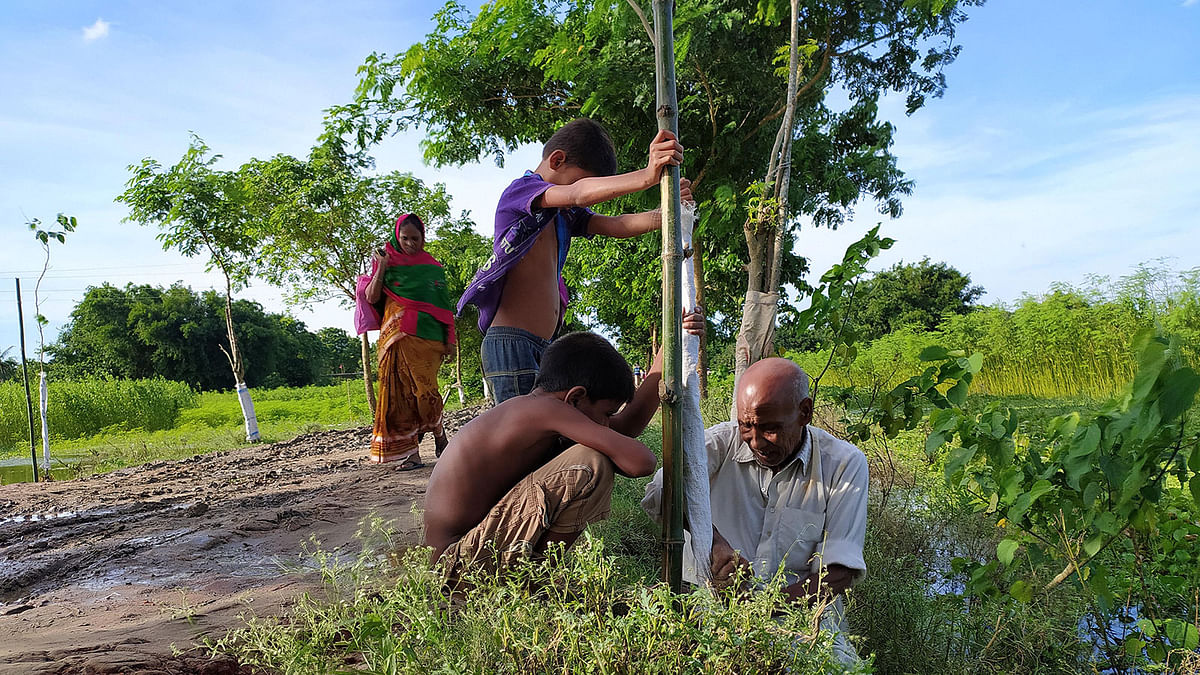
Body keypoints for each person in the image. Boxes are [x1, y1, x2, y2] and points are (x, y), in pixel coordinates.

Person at [425, 315, 703, 580]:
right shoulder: (545, 410)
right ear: (575, 397)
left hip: (461, 556)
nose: (607, 424)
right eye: (606, 413)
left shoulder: (538, 409)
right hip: (457, 563)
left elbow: (623, 430)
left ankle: (529, 578)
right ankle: (533, 582)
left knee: (597, 448)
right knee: (592, 462)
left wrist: (668, 349)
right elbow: (640, 461)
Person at [641, 358, 869, 666]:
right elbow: (660, 493)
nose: (756, 441)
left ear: (805, 412)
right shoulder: (719, 443)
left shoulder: (843, 464)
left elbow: (840, 573)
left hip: (798, 614)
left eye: (771, 428)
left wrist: (761, 609)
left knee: (839, 667)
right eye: (747, 426)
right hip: (708, 603)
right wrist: (712, 541)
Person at [457, 118, 693, 404]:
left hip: (544, 346)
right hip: (511, 342)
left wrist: (668, 211)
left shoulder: (565, 215)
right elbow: (576, 193)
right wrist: (646, 175)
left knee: (544, 438)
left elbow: (617, 225)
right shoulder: (521, 192)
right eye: (584, 180)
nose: (584, 197)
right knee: (525, 437)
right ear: (557, 160)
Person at [364, 214, 456, 470]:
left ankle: (440, 435)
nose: (411, 243)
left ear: (423, 238)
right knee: (399, 397)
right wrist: (381, 266)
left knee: (426, 393)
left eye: (416, 238)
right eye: (405, 238)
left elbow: (444, 305)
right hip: (394, 338)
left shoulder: (432, 268)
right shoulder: (386, 262)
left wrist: (451, 340)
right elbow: (372, 297)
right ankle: (412, 454)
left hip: (428, 339)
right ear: (397, 236)